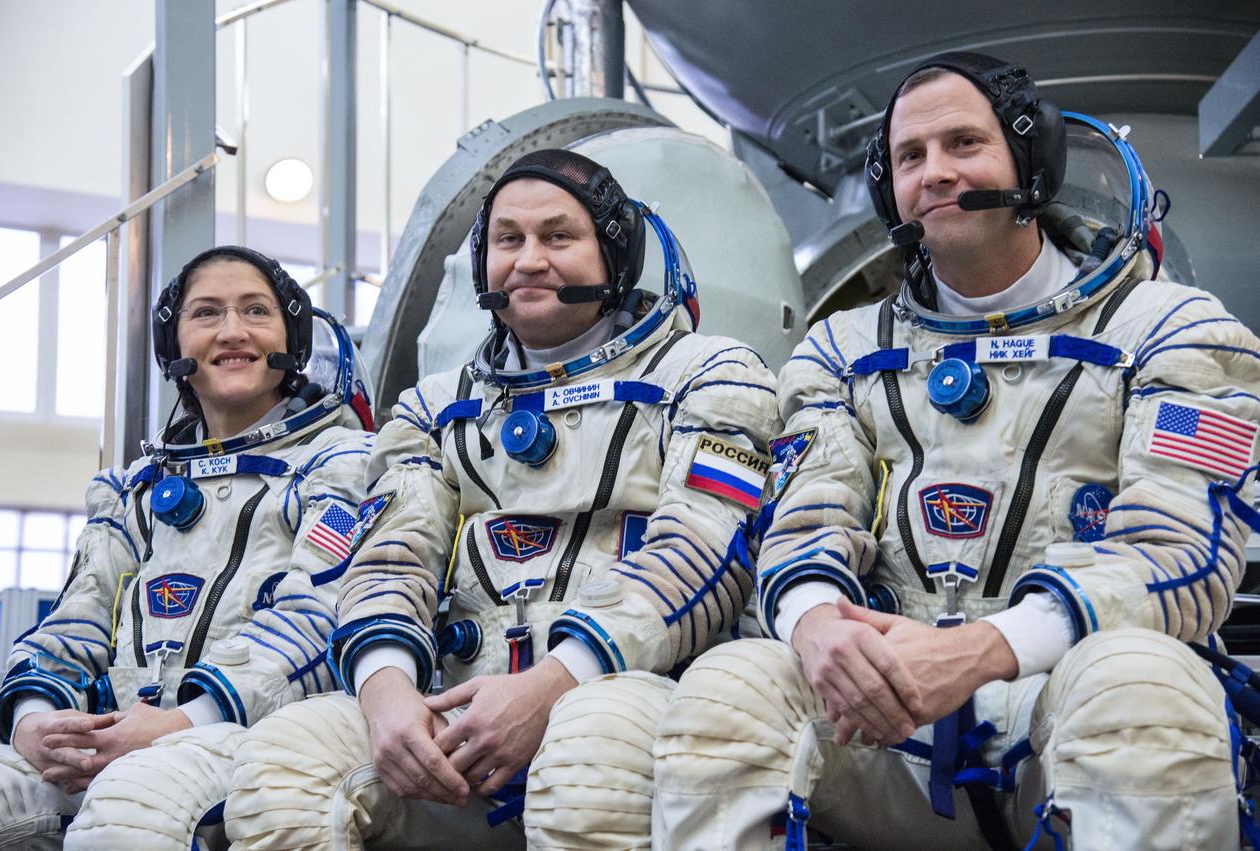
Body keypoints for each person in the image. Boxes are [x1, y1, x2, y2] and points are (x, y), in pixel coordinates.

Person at [645, 52, 1260, 850]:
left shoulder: (1173, 330)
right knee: (731, 689)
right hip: (886, 721)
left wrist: (980, 650)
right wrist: (815, 626)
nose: (934, 173)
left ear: (1029, 162)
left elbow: (1181, 550)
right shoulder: (840, 349)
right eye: (909, 156)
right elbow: (802, 525)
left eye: (963, 144)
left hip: (1072, 708)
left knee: (1138, 683)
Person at [220, 149, 781, 849]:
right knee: (285, 765)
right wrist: (387, 693)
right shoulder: (432, 410)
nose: (529, 259)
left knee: (587, 769)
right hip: (453, 710)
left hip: (628, 696)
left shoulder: (712, 374)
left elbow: (703, 549)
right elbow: (391, 564)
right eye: (507, 240)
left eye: (558, 236)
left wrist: (552, 685)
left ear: (615, 254)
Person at [0, 246, 375, 850]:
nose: (232, 331)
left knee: (129, 815)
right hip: (123, 732)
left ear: (292, 339)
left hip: (261, 737)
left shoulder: (343, 467)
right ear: (175, 348)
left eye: (256, 311)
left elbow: (318, 619)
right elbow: (75, 620)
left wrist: (181, 721)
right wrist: (37, 721)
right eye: (206, 313)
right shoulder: (137, 489)